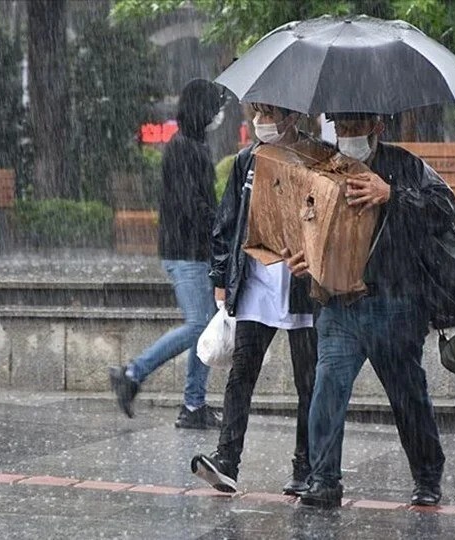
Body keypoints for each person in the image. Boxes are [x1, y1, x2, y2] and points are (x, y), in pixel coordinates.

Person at [284, 112, 453, 509]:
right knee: (326, 389)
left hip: (392, 301)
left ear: (377, 125)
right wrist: (301, 258)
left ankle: (427, 475)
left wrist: (392, 194)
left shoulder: (403, 165)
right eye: (339, 126)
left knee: (407, 394)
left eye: (355, 125)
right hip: (339, 305)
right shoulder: (322, 169)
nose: (346, 134)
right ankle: (324, 479)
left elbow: (444, 206)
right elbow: (301, 224)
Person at [190, 103, 319, 495]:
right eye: (257, 113)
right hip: (255, 283)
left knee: (309, 382)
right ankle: (227, 458)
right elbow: (226, 221)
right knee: (241, 373)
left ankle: (305, 466)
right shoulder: (247, 161)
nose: (262, 122)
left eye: (269, 114)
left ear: (292, 117)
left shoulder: (317, 160)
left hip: (301, 286)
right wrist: (219, 276)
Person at [108, 79, 224, 430]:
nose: (218, 115)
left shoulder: (195, 146)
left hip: (196, 250)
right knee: (199, 326)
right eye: (214, 108)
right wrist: (221, 225)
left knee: (204, 329)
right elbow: (191, 204)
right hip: (185, 251)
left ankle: (193, 405)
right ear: (201, 110)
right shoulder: (183, 148)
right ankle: (133, 372)